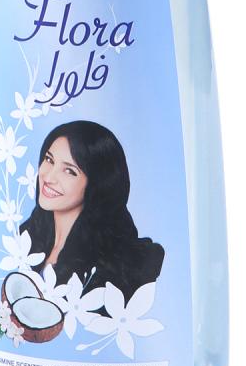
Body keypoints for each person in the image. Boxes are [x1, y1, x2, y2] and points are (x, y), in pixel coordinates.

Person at [20, 120, 164, 302]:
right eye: (49, 160)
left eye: (69, 171)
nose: (48, 177)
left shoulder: (117, 269)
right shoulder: (26, 236)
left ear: (97, 184)